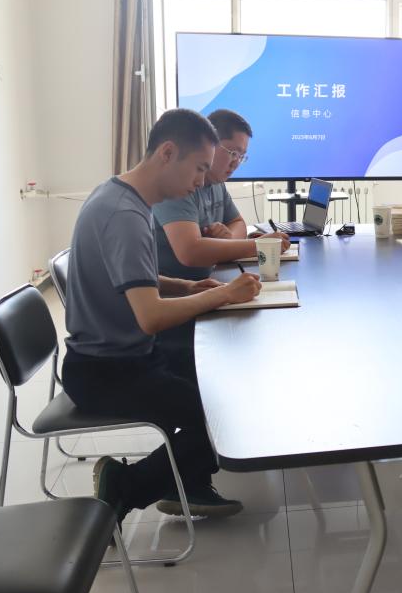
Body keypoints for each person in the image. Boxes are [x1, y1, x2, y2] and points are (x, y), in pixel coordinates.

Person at [62, 108, 263, 523]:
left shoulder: (118, 196)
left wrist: (187, 287)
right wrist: (223, 294)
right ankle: (124, 486)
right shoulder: (125, 216)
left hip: (119, 357)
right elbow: (150, 317)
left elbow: (133, 277)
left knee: (222, 387)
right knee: (222, 419)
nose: (201, 182)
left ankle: (180, 483)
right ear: (168, 153)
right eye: (199, 168)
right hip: (108, 370)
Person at [153, 109, 290, 281]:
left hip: (210, 280)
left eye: (241, 156)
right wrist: (261, 245)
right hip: (178, 290)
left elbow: (238, 223)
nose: (236, 163)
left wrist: (228, 239)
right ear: (209, 144)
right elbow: (190, 251)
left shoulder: (217, 182)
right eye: (233, 153)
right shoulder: (179, 181)